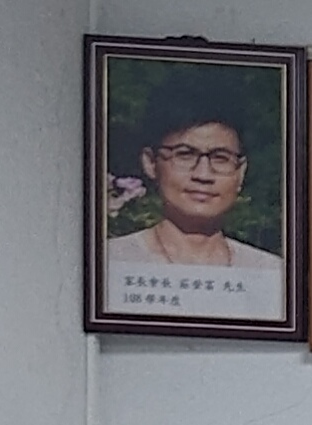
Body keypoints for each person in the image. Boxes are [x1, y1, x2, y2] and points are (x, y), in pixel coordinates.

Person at [101, 73, 283, 306]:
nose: (203, 175)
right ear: (150, 162)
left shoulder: (273, 276)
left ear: (241, 171)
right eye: (185, 155)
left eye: (220, 158)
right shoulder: (111, 263)